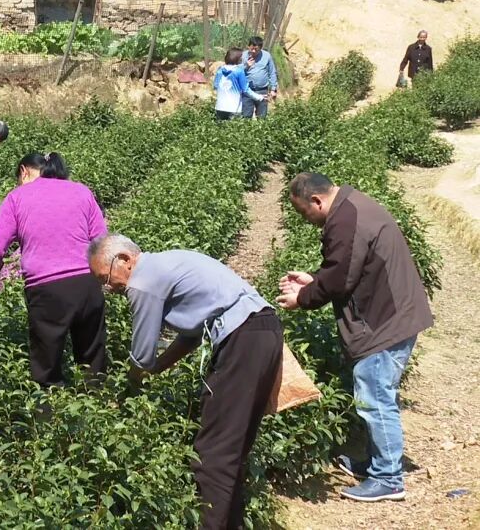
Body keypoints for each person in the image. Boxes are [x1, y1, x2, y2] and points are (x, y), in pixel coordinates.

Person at [88, 235, 282, 530]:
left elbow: (141, 355)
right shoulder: (167, 263)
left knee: (213, 452)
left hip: (244, 338)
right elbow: (190, 336)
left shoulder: (143, 280)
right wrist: (157, 369)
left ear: (125, 260)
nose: (108, 287)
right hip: (262, 330)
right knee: (232, 445)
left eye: (106, 277)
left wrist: (129, 389)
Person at [276, 173, 434, 503]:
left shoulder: (345, 220)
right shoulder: (352, 206)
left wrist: (302, 298)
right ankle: (379, 463)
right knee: (373, 393)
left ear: (317, 201)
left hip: (385, 321)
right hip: (393, 314)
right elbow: (347, 268)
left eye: (305, 213)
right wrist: (314, 279)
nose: (307, 221)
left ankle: (389, 478)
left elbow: (339, 280)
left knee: (375, 397)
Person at [0, 152, 107, 387]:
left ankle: (49, 418)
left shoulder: (17, 197)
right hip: (88, 283)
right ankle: (99, 412)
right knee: (92, 362)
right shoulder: (81, 191)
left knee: (47, 369)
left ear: (24, 171)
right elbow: (101, 240)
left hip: (46, 289)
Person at [213, 48, 263, 121]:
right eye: (241, 57)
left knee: (220, 129)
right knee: (233, 130)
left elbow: (216, 86)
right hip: (234, 108)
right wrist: (259, 97)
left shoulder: (220, 70)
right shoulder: (239, 71)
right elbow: (245, 89)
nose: (242, 59)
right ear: (237, 58)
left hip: (220, 107)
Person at [240, 36, 278, 118]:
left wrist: (273, 89)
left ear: (260, 48)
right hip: (247, 90)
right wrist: (246, 66)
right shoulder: (243, 56)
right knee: (246, 116)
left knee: (262, 116)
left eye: (256, 49)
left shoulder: (267, 56)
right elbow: (237, 72)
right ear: (248, 46)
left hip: (262, 90)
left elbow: (272, 72)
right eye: (251, 49)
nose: (253, 51)